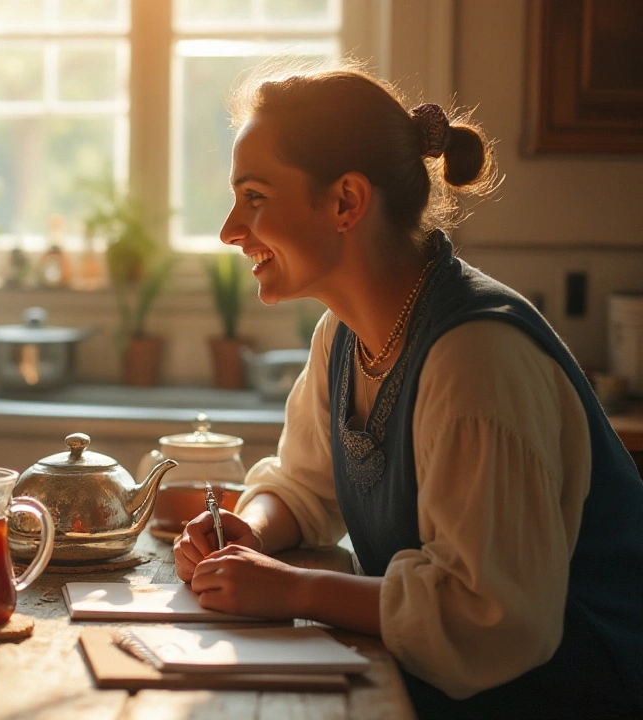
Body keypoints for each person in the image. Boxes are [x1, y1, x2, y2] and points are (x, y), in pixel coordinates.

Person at [173, 61, 643, 718]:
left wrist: (295, 592)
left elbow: (493, 616)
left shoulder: (476, 361)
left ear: (346, 202)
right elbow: (306, 486)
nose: (229, 228)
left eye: (254, 197)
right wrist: (247, 533)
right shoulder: (342, 334)